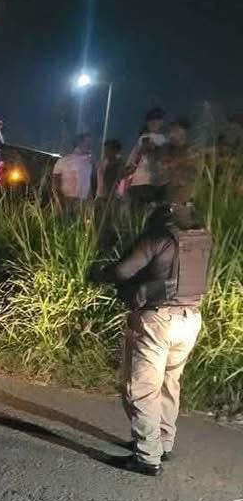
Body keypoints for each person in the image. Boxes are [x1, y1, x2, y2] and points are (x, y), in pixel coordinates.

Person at [89, 129, 207, 476]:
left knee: (140, 387)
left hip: (159, 320)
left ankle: (146, 456)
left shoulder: (159, 234)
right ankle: (163, 443)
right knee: (171, 383)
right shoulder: (201, 233)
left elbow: (125, 271)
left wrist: (99, 274)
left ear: (165, 204)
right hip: (191, 317)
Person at [125, 108, 168, 206]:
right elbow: (147, 146)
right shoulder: (145, 137)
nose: (154, 123)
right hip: (144, 184)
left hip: (153, 183)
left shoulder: (162, 138)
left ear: (161, 122)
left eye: (157, 120)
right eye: (152, 121)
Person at [52, 133, 93, 206]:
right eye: (87, 142)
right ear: (79, 143)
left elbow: (87, 183)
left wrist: (90, 200)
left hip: (83, 202)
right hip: (67, 200)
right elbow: (55, 184)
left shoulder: (89, 163)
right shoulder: (64, 161)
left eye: (90, 143)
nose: (90, 146)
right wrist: (61, 202)